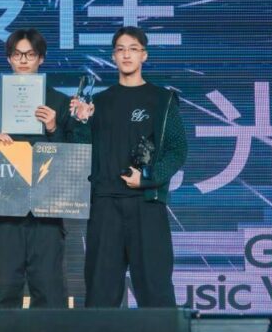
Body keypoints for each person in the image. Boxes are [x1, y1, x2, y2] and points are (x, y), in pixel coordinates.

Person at [70, 26, 187, 308]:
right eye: (120, 49)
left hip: (147, 204)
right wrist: (81, 122)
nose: (126, 55)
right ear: (113, 56)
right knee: (100, 290)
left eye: (133, 49)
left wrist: (147, 178)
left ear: (144, 55)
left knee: (156, 288)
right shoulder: (99, 102)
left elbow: (177, 150)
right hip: (105, 205)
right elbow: (81, 154)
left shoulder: (163, 100)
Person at [0, 28, 76, 308]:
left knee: (50, 290)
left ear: (41, 58)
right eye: (17, 55)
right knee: (3, 288)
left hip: (48, 211)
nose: (24, 60)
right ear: (9, 59)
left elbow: (75, 159)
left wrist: (53, 128)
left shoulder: (59, 103)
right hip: (5, 212)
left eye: (30, 54)